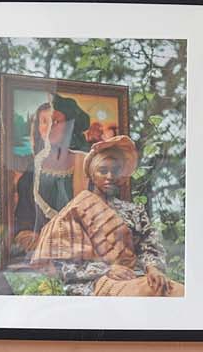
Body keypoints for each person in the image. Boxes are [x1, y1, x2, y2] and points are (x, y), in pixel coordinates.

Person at [71, 124, 177, 297]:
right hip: (94, 283)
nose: (110, 177)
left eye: (116, 170)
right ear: (91, 174)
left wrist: (153, 269)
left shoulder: (134, 211)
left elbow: (148, 245)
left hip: (136, 277)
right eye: (103, 171)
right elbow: (65, 259)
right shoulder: (77, 210)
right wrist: (106, 269)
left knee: (174, 291)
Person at [8, 89, 92, 262]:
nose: (50, 127)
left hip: (83, 253)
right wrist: (38, 243)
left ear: (70, 126)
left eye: (56, 121)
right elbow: (23, 225)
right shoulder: (30, 176)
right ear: (38, 128)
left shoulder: (85, 166)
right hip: (42, 257)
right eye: (44, 122)